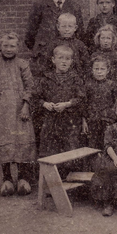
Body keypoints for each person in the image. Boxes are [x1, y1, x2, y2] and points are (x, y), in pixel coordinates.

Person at [0, 33, 36, 196]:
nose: (8, 49)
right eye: (5, 45)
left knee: (22, 141)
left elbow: (30, 87)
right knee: (4, 141)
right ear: (1, 46)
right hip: (1, 111)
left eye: (12, 46)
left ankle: (23, 179)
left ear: (18, 48)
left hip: (20, 111)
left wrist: (26, 106)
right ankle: (6, 179)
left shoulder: (22, 64)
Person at [35, 45, 85, 177]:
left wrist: (67, 104)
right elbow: (36, 98)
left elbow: (81, 98)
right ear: (53, 60)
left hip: (70, 120)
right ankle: (52, 183)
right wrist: (45, 104)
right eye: (60, 58)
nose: (64, 61)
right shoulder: (46, 78)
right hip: (51, 120)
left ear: (72, 61)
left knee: (70, 148)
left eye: (67, 59)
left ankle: (68, 181)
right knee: (50, 150)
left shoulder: (76, 79)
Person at [25, 0, 84, 77]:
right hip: (43, 61)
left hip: (66, 62)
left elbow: (79, 34)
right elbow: (30, 36)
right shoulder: (40, 6)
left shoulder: (75, 8)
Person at [82, 56, 117, 149]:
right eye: (96, 69)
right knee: (92, 146)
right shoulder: (87, 85)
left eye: (102, 69)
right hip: (92, 121)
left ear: (108, 70)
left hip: (108, 120)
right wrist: (84, 121)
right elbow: (83, 105)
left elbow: (116, 104)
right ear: (92, 70)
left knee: (108, 145)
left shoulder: (112, 85)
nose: (99, 72)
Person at [45, 13, 90, 78]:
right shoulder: (53, 44)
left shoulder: (79, 44)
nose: (67, 29)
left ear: (75, 28)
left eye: (70, 26)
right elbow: (47, 63)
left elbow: (86, 63)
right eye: (63, 26)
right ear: (58, 27)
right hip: (57, 77)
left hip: (75, 78)